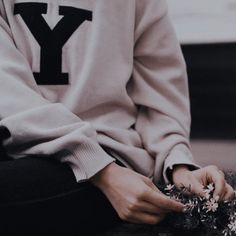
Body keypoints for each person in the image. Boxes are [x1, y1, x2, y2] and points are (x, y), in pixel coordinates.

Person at [0, 0, 234, 234]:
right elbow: (9, 92)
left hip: (108, 157)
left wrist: (178, 167)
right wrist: (99, 168)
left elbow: (160, 98)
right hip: (18, 145)